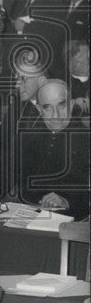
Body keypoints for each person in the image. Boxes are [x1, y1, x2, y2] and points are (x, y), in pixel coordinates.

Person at [19, 79, 90, 219]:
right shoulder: (30, 138)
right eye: (47, 107)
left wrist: (67, 201)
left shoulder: (86, 139)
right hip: (32, 215)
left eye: (61, 105)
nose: (56, 115)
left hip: (75, 225)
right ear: (39, 110)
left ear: (70, 105)